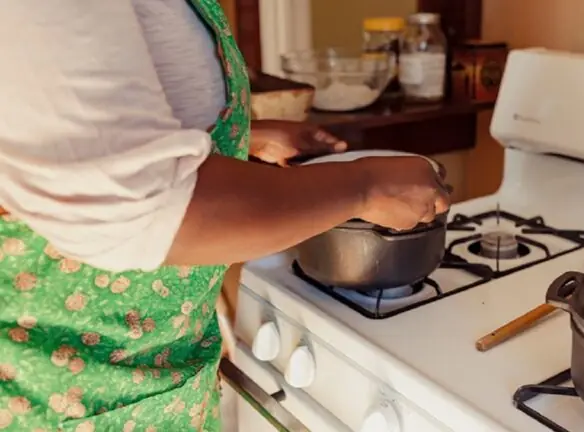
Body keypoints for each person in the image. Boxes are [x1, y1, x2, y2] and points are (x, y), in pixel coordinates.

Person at [0, 1, 449, 431]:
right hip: (60, 396)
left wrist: (239, 138)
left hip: (154, 381)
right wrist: (363, 186)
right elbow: (138, 213)